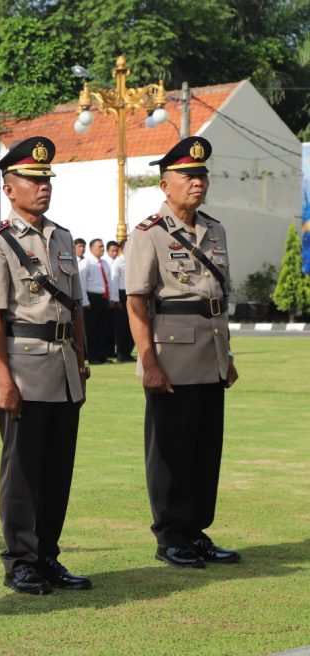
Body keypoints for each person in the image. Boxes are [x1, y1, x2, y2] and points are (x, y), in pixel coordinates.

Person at [0, 136, 92, 595]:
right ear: (10, 187)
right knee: (22, 471)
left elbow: (77, 307)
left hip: (63, 368)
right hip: (23, 367)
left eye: (46, 179)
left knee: (57, 469)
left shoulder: (62, 236)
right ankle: (21, 561)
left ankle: (48, 555)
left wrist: (81, 361)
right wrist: (3, 377)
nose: (42, 187)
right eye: (32, 179)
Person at [124, 136, 241, 569]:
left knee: (206, 448)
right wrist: (147, 361)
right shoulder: (149, 234)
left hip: (210, 352)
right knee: (170, 449)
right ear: (165, 184)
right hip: (171, 355)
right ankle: (171, 536)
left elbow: (217, 297)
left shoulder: (215, 229)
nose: (198, 182)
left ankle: (196, 531)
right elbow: (137, 302)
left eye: (202, 175)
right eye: (188, 176)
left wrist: (226, 356)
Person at [80, 238, 114, 364]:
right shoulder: (86, 263)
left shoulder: (104, 263)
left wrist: (110, 298)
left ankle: (103, 356)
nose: (102, 249)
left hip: (103, 298)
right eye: (100, 246)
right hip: (91, 298)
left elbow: (109, 282)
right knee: (92, 330)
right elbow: (82, 283)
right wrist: (85, 301)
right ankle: (93, 357)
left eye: (103, 246)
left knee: (103, 329)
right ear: (91, 248)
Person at [107, 240, 133, 362]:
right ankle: (122, 353)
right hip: (121, 295)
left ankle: (128, 352)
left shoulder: (133, 260)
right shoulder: (118, 262)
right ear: (122, 249)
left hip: (131, 294)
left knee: (131, 325)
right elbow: (113, 281)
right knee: (122, 326)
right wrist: (115, 299)